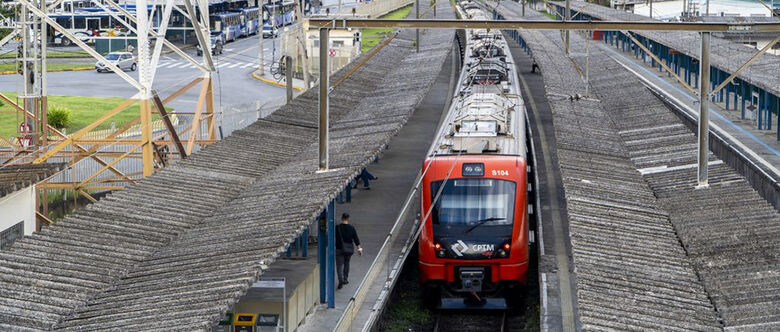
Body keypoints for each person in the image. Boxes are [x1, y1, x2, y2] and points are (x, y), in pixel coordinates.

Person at [335, 213, 362, 289]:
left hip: (339, 249)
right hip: (349, 249)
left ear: (342, 218)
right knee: (347, 263)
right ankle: (345, 279)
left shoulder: (337, 228)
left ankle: (340, 281)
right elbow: (356, 239)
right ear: (348, 219)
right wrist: (359, 249)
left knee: (339, 266)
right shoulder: (351, 228)